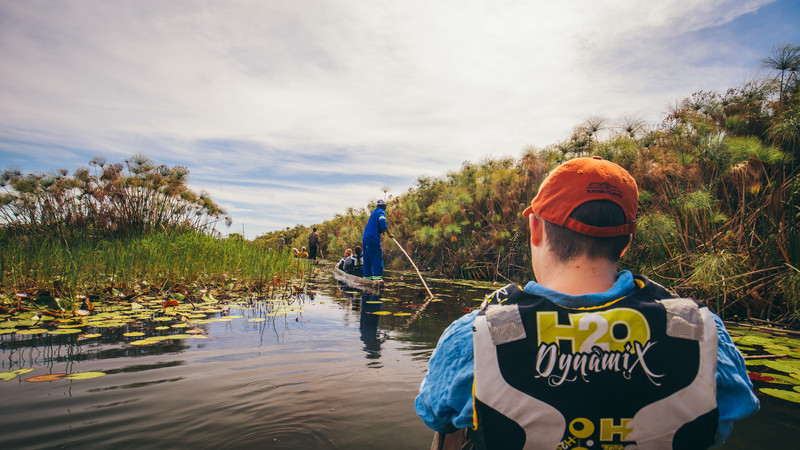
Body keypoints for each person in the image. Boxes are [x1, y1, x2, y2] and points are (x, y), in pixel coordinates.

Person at [415, 157, 758, 449]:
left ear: (535, 229)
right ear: (625, 243)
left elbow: (434, 412)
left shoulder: (474, 334)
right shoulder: (699, 328)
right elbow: (730, 413)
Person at [362, 199, 394, 280]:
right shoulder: (381, 212)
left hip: (365, 239)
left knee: (367, 261)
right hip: (373, 239)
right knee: (377, 260)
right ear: (384, 206)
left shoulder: (373, 213)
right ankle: (377, 280)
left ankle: (367, 279)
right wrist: (388, 233)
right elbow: (382, 221)